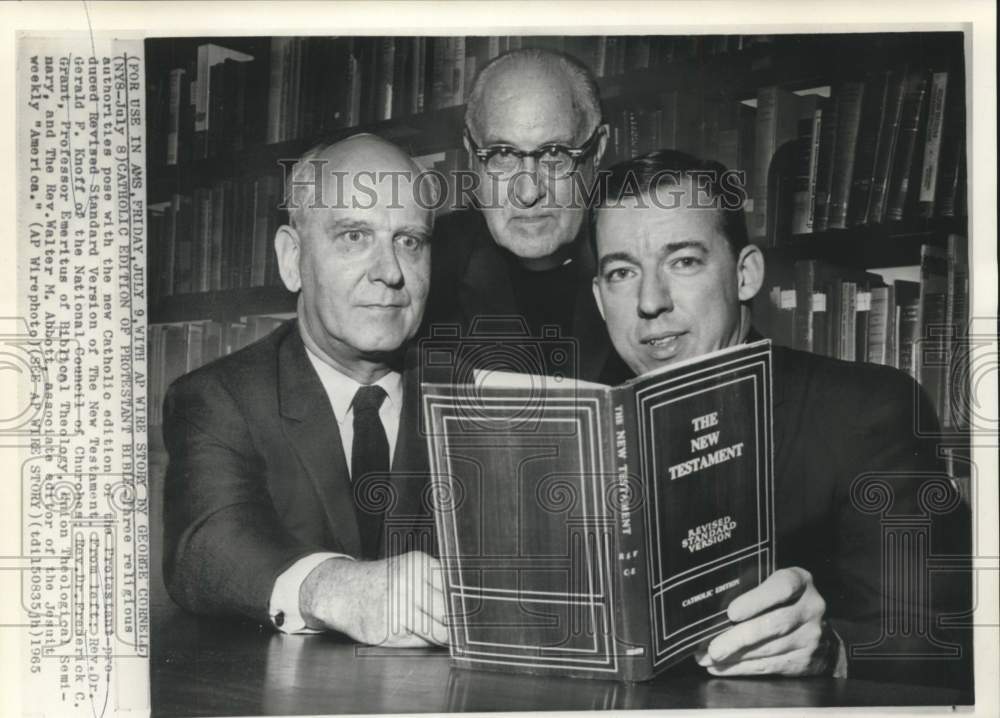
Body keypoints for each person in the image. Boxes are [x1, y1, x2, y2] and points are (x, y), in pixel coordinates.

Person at [591, 150, 971, 688]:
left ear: (745, 275)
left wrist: (833, 651)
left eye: (684, 261)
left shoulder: (866, 410)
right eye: (622, 272)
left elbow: (951, 643)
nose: (651, 301)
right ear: (599, 299)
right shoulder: (586, 431)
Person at [162, 134, 448, 647]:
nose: (390, 272)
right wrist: (335, 586)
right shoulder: (220, 399)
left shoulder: (480, 398)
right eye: (355, 236)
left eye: (409, 241)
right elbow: (206, 545)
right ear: (292, 259)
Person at [424, 47, 628, 383]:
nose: (529, 193)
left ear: (598, 150)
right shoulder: (425, 268)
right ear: (472, 155)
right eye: (502, 154)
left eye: (554, 154)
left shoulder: (641, 261)